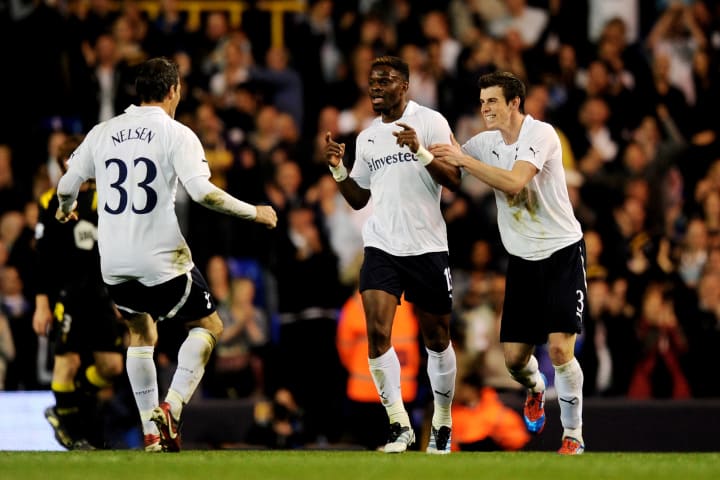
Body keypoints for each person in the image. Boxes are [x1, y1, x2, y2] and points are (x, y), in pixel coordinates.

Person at [54, 56, 278, 453]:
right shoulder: (177, 134)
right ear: (174, 90)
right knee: (210, 326)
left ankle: (151, 434)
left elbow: (68, 182)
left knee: (141, 332)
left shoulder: (103, 132)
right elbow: (203, 193)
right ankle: (171, 408)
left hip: (115, 265)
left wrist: (66, 206)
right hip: (161, 260)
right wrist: (254, 212)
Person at [429, 71, 587, 455]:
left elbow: (515, 183)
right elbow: (448, 161)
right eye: (482, 102)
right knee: (516, 361)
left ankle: (573, 436)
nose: (485, 108)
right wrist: (422, 154)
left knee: (561, 350)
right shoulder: (483, 143)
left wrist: (464, 159)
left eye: (493, 101)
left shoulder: (542, 135)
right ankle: (534, 387)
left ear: (515, 102)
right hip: (522, 261)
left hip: (562, 252)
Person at [324, 55, 461, 454]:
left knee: (437, 339)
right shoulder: (367, 138)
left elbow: (454, 180)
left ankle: (442, 419)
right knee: (377, 332)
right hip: (382, 245)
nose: (375, 88)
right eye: (372, 82)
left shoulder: (431, 122)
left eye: (384, 81)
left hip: (428, 246)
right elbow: (360, 197)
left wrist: (421, 151)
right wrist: (338, 170)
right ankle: (399, 425)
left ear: (405, 85)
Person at [33, 134, 126, 450]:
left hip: (101, 294)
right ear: (62, 167)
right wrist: (42, 304)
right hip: (68, 294)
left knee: (111, 366)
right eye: (69, 161)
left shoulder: (108, 198)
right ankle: (70, 431)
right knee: (67, 361)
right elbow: (42, 260)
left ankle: (66, 405)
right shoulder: (50, 201)